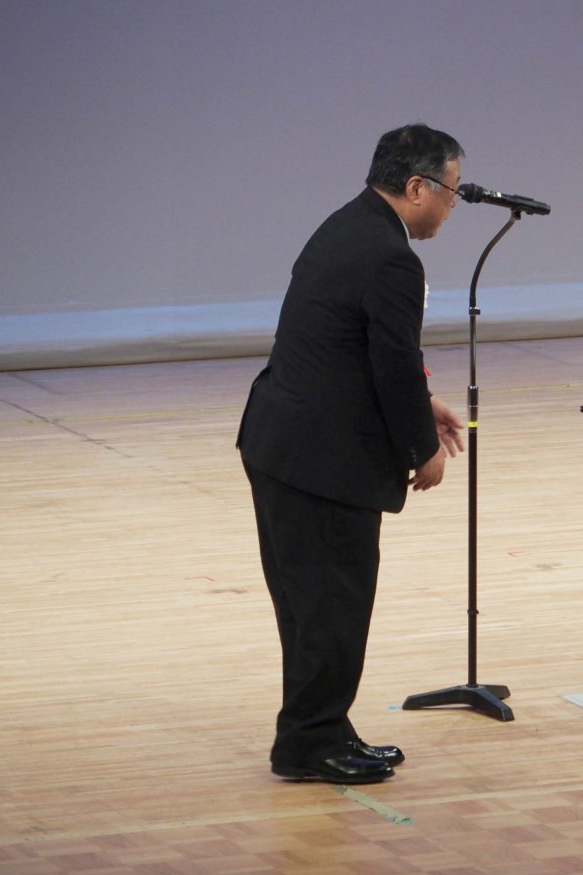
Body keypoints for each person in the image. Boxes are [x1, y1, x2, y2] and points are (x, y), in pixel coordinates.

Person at [237, 124, 467, 783]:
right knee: (331, 608)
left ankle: (324, 729)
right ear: (417, 187)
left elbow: (352, 345)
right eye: (450, 191)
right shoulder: (393, 258)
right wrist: (422, 448)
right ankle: (308, 745)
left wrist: (423, 402)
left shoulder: (346, 225)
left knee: (311, 606)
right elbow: (392, 363)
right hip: (322, 462)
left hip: (282, 444)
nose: (453, 206)